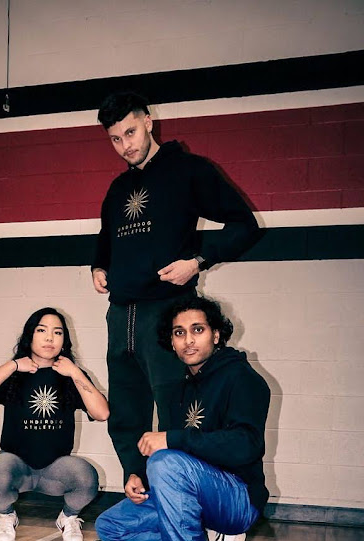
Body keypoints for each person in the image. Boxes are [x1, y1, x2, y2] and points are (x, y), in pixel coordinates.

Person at [91, 91, 260, 518]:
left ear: (149, 121)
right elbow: (106, 239)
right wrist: (99, 266)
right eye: (115, 139)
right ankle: (141, 496)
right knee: (126, 416)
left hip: (167, 311)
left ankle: (185, 512)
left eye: (130, 131)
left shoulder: (188, 171)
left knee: (173, 417)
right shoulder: (116, 190)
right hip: (121, 314)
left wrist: (198, 261)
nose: (126, 145)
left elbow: (245, 225)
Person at [95, 294, 270, 541]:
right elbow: (174, 458)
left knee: (165, 460)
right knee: (110, 527)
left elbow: (245, 446)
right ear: (171, 342)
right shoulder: (179, 388)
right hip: (196, 497)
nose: (188, 340)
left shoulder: (242, 378)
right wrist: (140, 476)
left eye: (198, 330)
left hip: (238, 497)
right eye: (179, 333)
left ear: (216, 334)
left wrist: (173, 442)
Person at [0, 308, 109, 541]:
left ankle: (69, 518)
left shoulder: (71, 375)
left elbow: (102, 413)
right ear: (29, 335)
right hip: (16, 465)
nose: (49, 338)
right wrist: (12, 366)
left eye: (57, 332)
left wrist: (75, 372)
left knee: (86, 476)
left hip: (55, 469)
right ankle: (6, 514)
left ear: (64, 340)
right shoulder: (14, 373)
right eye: (42, 330)